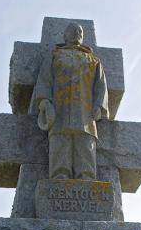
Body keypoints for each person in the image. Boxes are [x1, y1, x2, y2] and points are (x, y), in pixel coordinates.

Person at [30, 22, 109, 180]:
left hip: (85, 112)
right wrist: (44, 101)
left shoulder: (93, 60)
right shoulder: (55, 56)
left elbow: (101, 85)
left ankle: (86, 175)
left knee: (85, 143)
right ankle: (60, 174)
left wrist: (99, 106)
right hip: (59, 109)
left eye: (80, 31)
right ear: (64, 35)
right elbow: (45, 80)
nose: (77, 33)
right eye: (72, 31)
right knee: (60, 141)